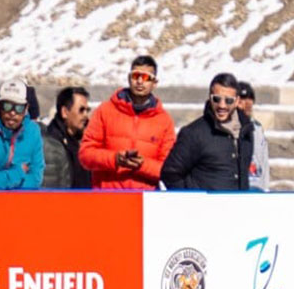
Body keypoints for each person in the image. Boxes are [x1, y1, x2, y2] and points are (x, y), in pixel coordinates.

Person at [78, 55, 176, 190]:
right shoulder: (105, 111)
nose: (140, 81)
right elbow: (86, 155)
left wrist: (142, 165)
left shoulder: (164, 121)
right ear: (129, 78)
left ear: (154, 82)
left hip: (144, 202)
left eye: (146, 77)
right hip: (107, 197)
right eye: (136, 76)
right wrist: (114, 159)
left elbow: (169, 169)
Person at [160, 73, 254, 192]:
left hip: (237, 207)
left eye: (228, 100)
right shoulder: (193, 133)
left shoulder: (246, 131)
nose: (222, 105)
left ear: (237, 101)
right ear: (210, 98)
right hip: (204, 208)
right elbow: (170, 173)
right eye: (217, 99)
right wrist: (196, 198)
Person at [40, 86, 92, 189]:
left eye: (87, 110)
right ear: (65, 112)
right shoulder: (51, 145)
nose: (86, 115)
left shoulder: (84, 141)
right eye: (81, 110)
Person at [236, 81, 271, 191]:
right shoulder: (231, 128)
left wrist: (266, 188)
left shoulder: (258, 128)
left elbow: (264, 161)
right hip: (240, 187)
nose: (246, 103)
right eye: (242, 98)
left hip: (258, 186)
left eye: (250, 98)